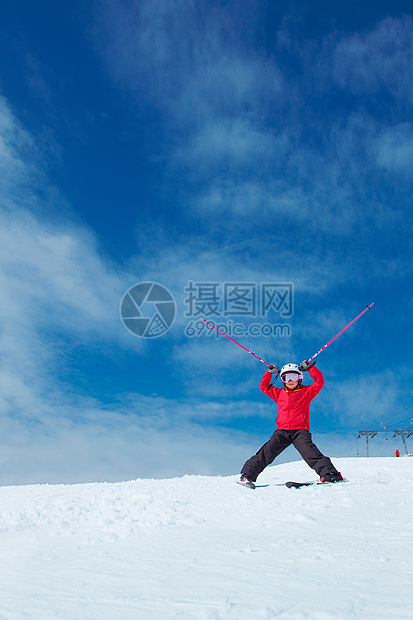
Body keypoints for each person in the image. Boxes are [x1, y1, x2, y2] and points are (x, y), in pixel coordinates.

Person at [239, 360, 342, 488]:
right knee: (267, 451)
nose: (290, 381)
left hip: (300, 431)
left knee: (310, 452)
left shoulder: (306, 392)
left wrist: (310, 368)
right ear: (283, 379)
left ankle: (329, 473)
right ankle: (247, 474)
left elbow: (319, 382)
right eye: (286, 377)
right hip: (282, 431)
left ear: (299, 378)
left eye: (294, 377)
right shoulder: (279, 393)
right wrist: (269, 372)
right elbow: (264, 387)